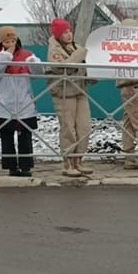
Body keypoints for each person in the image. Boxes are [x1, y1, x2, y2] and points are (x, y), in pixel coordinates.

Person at [0, 26, 40, 177]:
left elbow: (38, 74)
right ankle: (11, 167)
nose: (11, 43)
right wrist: (6, 55)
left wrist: (34, 63)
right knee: (6, 137)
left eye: (13, 40)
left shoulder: (27, 55)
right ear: (0, 42)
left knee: (25, 137)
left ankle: (26, 166)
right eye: (7, 41)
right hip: (2, 105)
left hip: (24, 104)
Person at [47, 18, 94, 178]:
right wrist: (79, 55)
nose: (68, 35)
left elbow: (85, 66)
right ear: (58, 34)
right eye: (64, 32)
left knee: (84, 127)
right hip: (64, 93)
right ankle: (68, 163)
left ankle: (79, 160)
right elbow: (63, 67)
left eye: (69, 31)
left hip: (81, 91)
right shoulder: (55, 50)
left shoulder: (77, 48)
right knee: (69, 128)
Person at [115, 19, 138, 169]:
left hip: (129, 87)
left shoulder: (123, 47)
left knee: (129, 123)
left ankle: (129, 155)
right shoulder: (131, 48)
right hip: (134, 86)